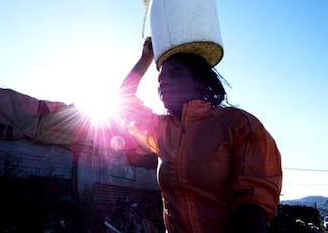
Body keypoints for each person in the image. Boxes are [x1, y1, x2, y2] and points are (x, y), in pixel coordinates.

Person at [118, 37, 282, 233]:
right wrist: (145, 58)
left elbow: (254, 202)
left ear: (200, 80)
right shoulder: (162, 130)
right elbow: (123, 105)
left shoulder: (238, 124)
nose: (163, 83)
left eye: (175, 74)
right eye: (160, 80)